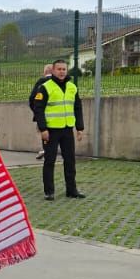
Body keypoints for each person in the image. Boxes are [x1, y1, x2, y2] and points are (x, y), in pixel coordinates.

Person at [31, 58, 84, 200]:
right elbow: (38, 109)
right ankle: (49, 192)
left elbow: (77, 107)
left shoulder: (72, 87)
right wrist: (43, 129)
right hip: (51, 130)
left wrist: (79, 127)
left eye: (64, 69)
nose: (61, 72)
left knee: (70, 160)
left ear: (67, 71)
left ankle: (71, 190)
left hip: (67, 129)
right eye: (59, 69)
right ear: (53, 70)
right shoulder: (45, 87)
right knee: (49, 160)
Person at [30, 63, 52, 160]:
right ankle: (48, 150)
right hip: (58, 116)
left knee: (44, 131)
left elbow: (32, 99)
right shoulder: (59, 83)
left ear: (44, 72)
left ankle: (46, 149)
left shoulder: (40, 83)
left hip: (42, 114)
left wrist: (36, 111)